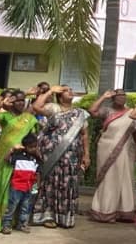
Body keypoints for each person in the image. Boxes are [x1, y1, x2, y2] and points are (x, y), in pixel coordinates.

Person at [0, 89, 37, 233]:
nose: (20, 103)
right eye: (17, 101)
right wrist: (1, 104)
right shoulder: (5, 116)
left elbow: (32, 137)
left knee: (17, 188)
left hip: (21, 158)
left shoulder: (28, 118)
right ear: (12, 102)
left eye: (23, 100)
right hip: (4, 155)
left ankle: (16, 221)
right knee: (2, 184)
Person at [31, 90, 91, 229]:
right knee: (50, 183)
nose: (70, 92)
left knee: (67, 183)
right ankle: (48, 216)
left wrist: (86, 154)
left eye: (70, 90)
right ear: (59, 95)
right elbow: (36, 107)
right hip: (51, 154)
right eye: (65, 90)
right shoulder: (53, 108)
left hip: (71, 155)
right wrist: (50, 91)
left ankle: (64, 217)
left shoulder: (79, 113)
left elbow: (84, 134)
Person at [88, 89, 136, 223]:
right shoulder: (107, 111)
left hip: (126, 149)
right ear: (113, 98)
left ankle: (124, 212)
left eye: (123, 95)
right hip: (106, 149)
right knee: (108, 178)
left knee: (125, 177)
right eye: (118, 95)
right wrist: (103, 96)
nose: (121, 98)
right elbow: (92, 111)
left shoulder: (131, 112)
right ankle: (105, 211)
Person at [1, 132, 42, 235]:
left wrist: (37, 185)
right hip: (17, 186)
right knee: (12, 206)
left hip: (29, 187)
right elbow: (6, 159)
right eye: (31, 147)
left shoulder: (36, 159)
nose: (33, 149)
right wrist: (11, 150)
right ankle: (6, 225)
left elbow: (37, 173)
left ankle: (22, 224)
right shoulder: (18, 156)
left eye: (35, 147)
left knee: (25, 207)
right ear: (25, 146)